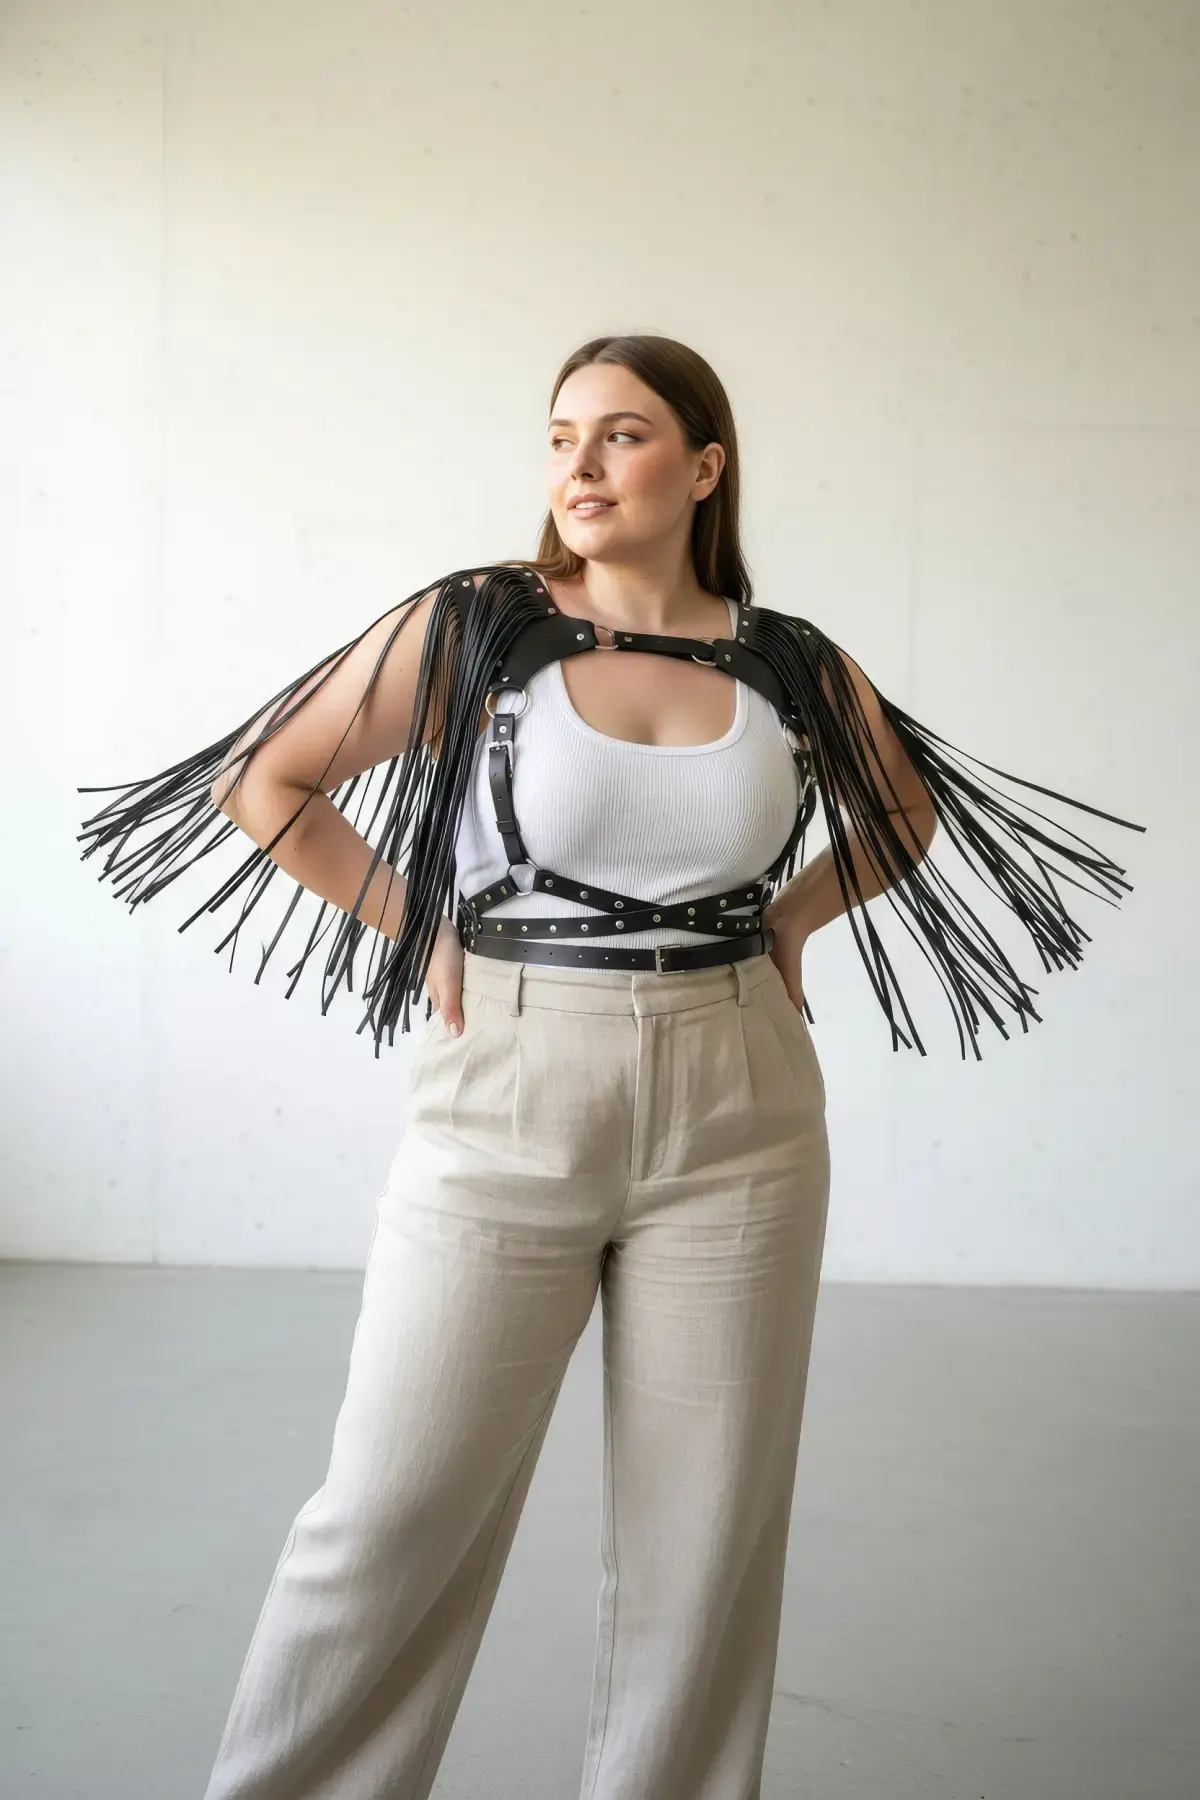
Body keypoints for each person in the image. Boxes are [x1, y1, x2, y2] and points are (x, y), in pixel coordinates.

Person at [77, 333, 1145, 1799]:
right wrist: (416, 922)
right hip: (512, 1087)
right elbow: (267, 778)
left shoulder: (789, 661)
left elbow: (905, 814)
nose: (578, 467)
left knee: (704, 1545)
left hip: (743, 1103)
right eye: (561, 435)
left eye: (622, 435)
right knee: (390, 1512)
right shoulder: (477, 625)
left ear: (704, 468)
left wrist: (794, 918)